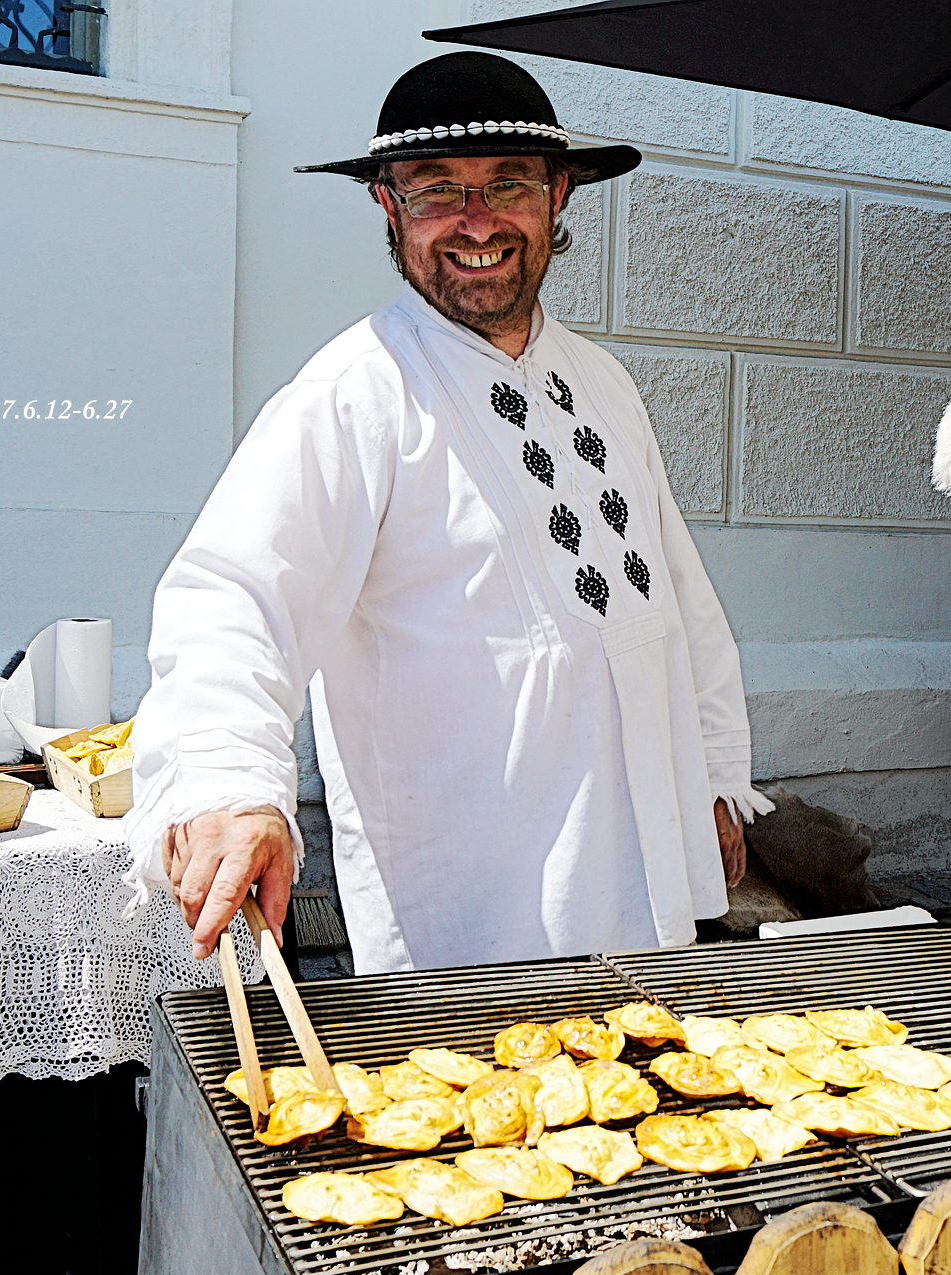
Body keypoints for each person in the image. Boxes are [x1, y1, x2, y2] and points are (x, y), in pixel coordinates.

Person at [121, 51, 770, 974]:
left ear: (559, 197)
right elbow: (233, 600)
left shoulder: (606, 382)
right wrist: (232, 785)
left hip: (644, 889)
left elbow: (675, 603)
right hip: (474, 918)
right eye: (436, 192)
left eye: (507, 184)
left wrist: (710, 775)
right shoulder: (352, 396)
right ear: (388, 207)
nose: (476, 223)